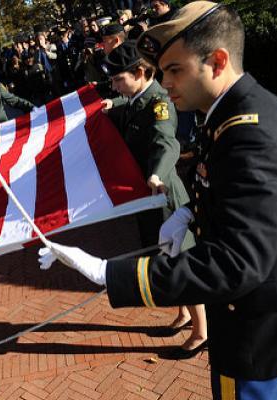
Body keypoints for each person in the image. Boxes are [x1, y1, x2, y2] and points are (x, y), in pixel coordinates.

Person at [39, 2, 277, 398]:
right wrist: (188, 211)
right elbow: (239, 200)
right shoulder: (230, 114)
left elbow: (235, 262)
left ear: (217, 61)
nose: (164, 82)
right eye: (163, 71)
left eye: (175, 70)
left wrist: (109, 273)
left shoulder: (248, 133)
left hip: (263, 335)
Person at [102, 40, 205, 358]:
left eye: (119, 79)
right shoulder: (135, 100)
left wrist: (157, 173)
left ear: (141, 72)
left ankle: (202, 332)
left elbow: (166, 142)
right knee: (165, 256)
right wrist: (111, 105)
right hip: (147, 197)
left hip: (164, 195)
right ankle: (184, 314)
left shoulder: (159, 103)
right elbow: (129, 108)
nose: (115, 85)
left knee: (180, 260)